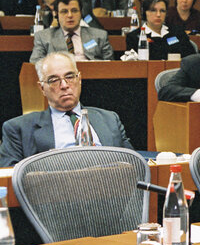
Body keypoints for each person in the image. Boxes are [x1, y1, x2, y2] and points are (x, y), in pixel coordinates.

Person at [0, 52, 132, 167]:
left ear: (79, 79)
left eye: (69, 77)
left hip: (109, 190)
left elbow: (133, 163)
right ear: (42, 88)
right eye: (54, 80)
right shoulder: (18, 128)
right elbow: (10, 176)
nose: (64, 85)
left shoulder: (110, 119)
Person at [30, 0, 113, 63]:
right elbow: (35, 63)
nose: (70, 15)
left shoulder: (100, 35)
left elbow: (111, 66)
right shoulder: (43, 37)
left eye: (74, 11)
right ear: (56, 14)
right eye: (64, 11)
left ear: (81, 13)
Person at [126, 0, 196, 60]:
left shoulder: (178, 32)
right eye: (153, 10)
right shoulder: (134, 37)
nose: (158, 14)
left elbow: (192, 59)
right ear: (145, 12)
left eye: (162, 11)